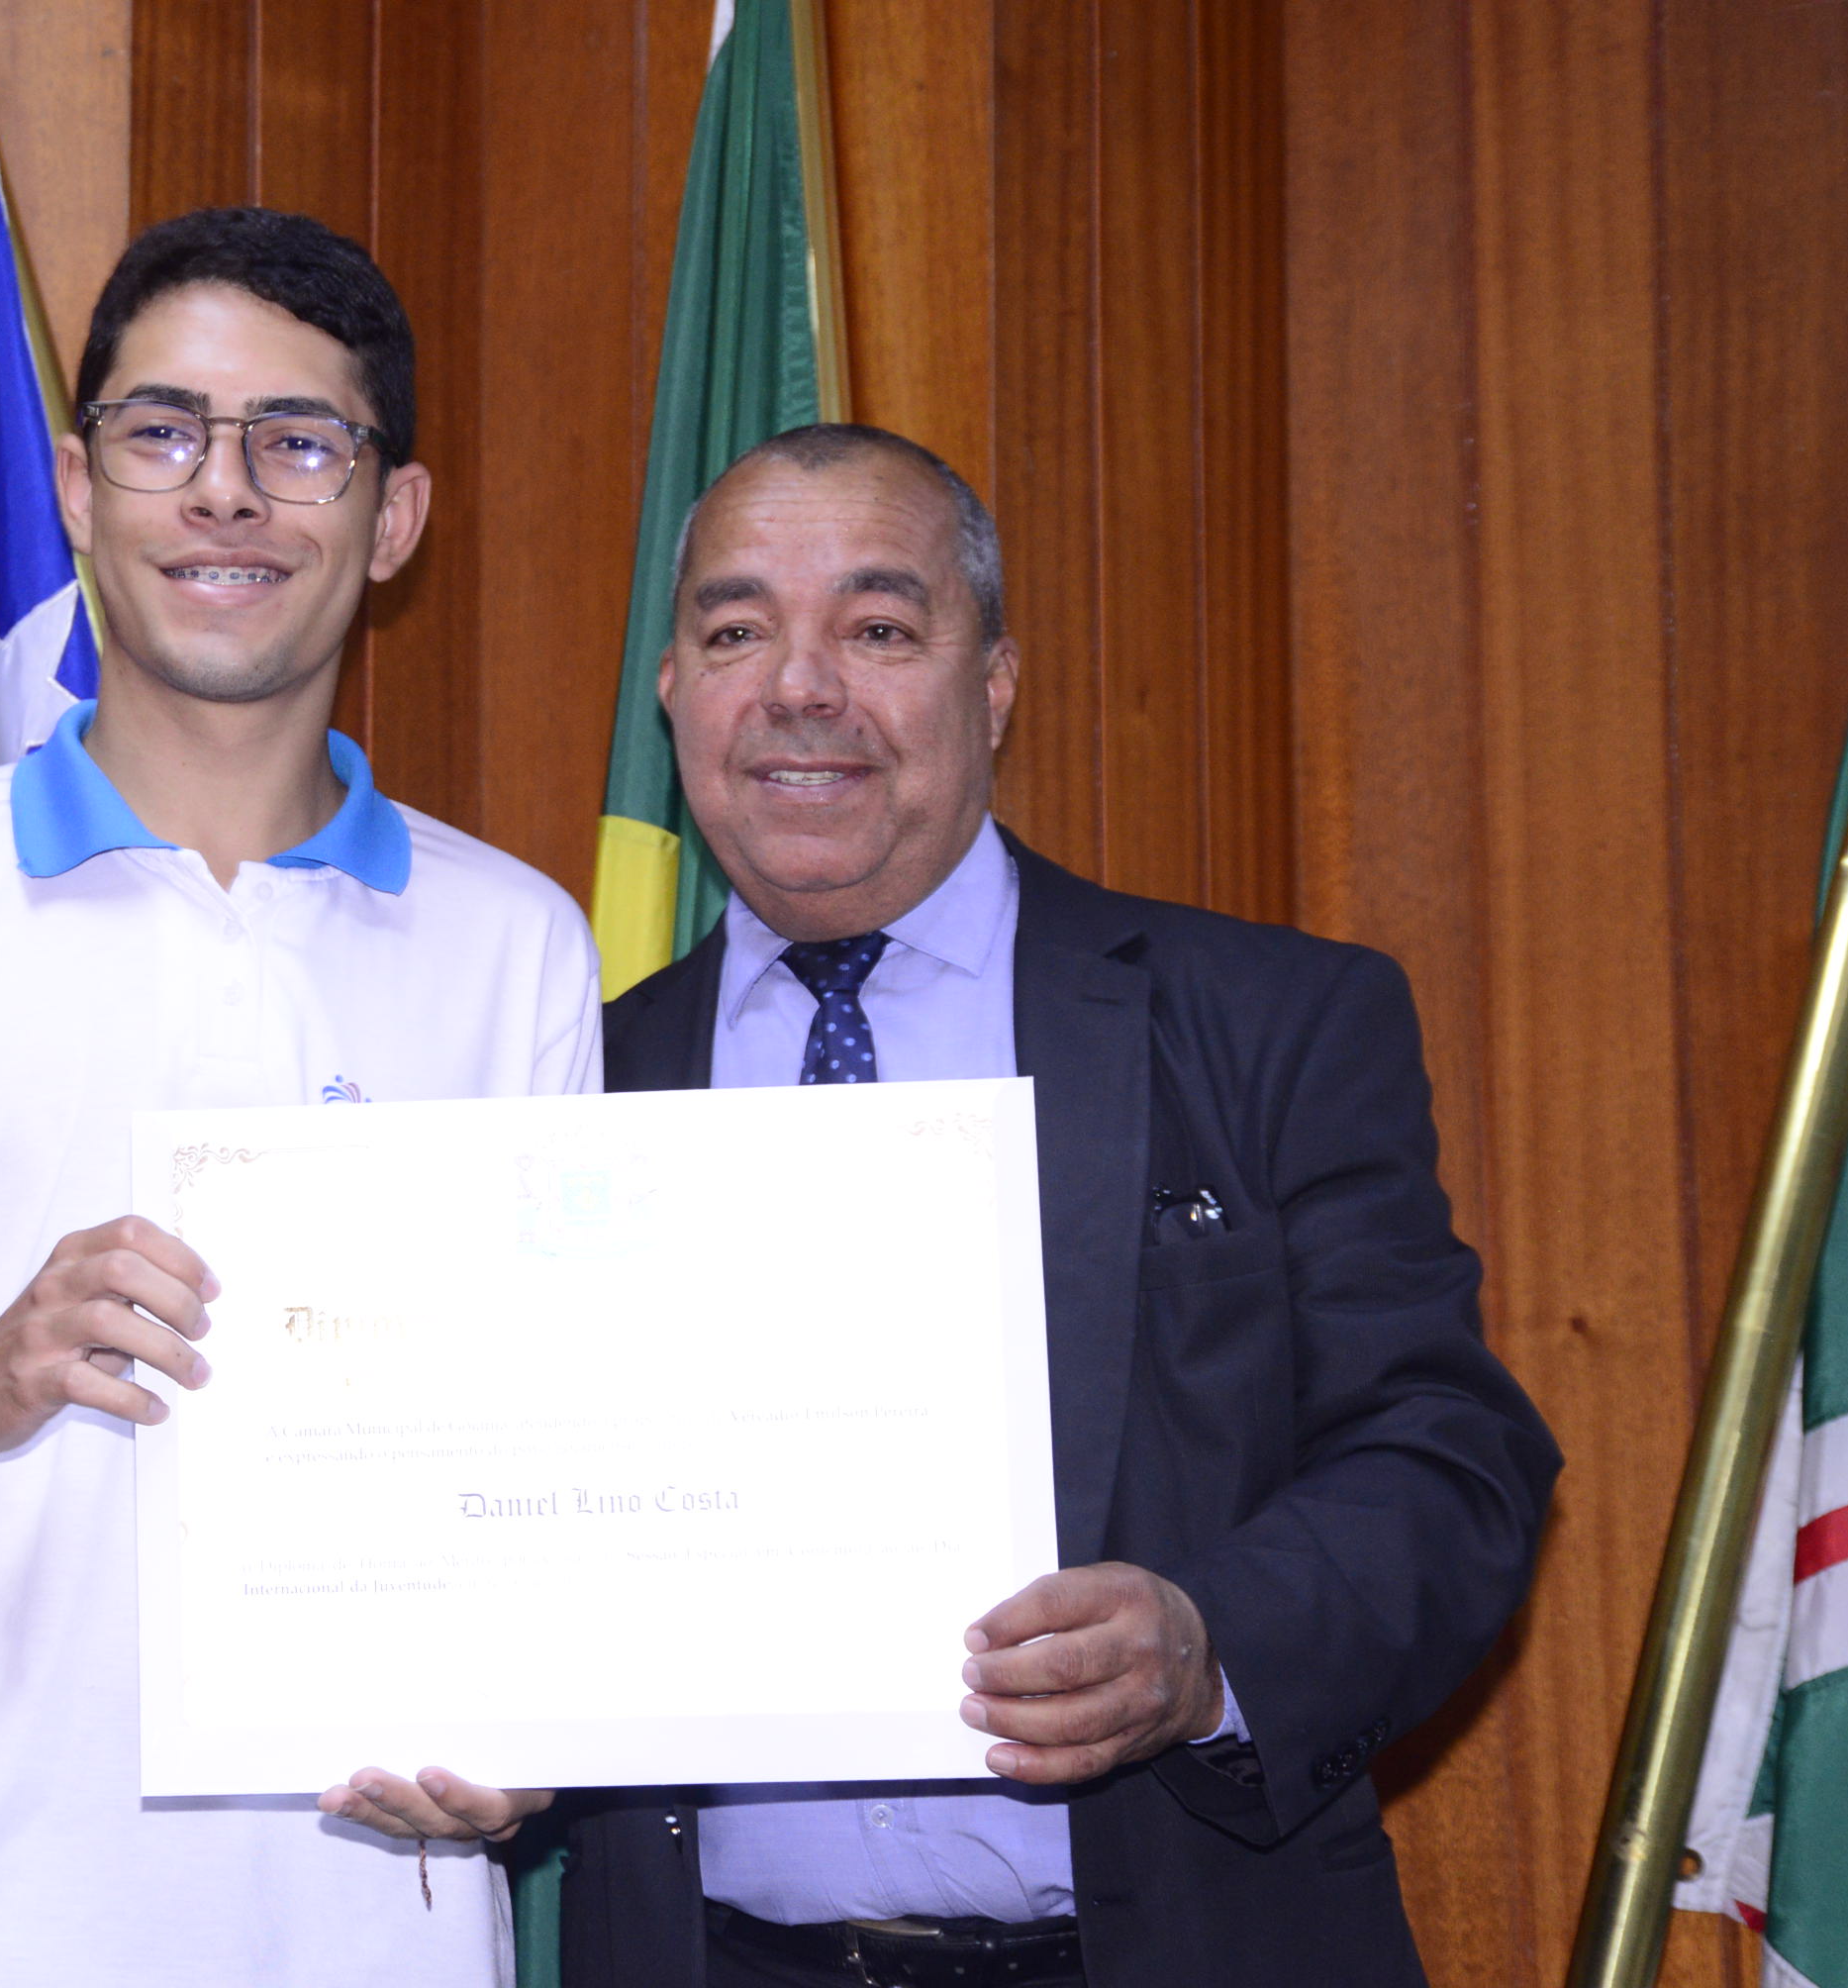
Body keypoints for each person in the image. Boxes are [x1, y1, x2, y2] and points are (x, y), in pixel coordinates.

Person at [0, 207, 599, 1988]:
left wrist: (531, 1740)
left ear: (394, 519)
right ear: (77, 488)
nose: (226, 492)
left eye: (300, 442)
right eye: (163, 433)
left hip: (355, 1932)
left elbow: (552, 1469)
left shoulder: (516, 943)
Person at [549, 425, 1562, 1987]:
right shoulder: (564, 1087)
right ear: (674, 690)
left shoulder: (1271, 1022)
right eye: (738, 631)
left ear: (996, 683)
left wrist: (1207, 1643)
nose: (801, 687)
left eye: (878, 630)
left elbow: (1451, 1457)